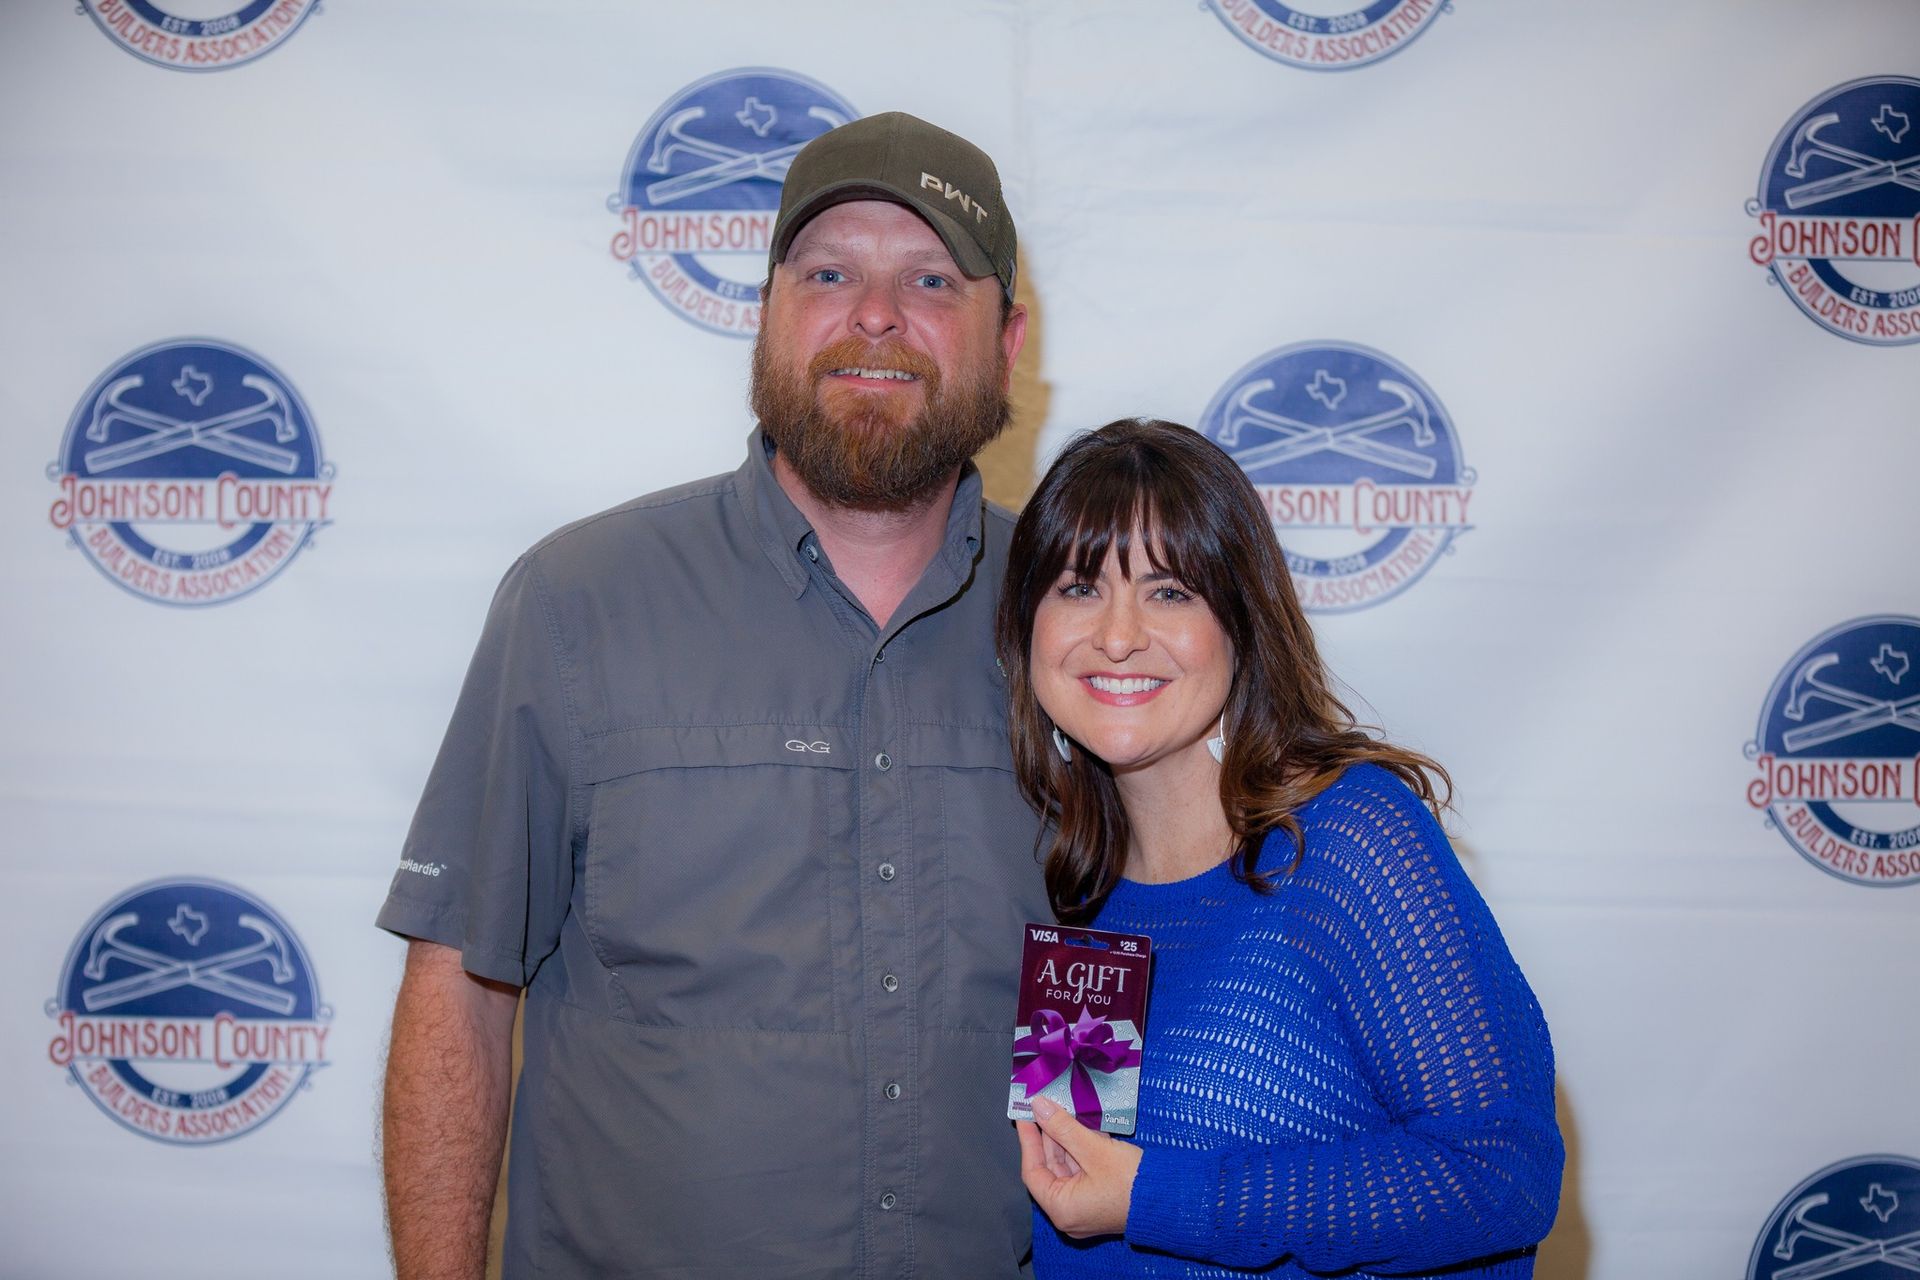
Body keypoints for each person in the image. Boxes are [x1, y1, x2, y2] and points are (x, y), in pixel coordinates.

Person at [377, 112, 1052, 1279]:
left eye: (931, 278)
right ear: (769, 317)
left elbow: (1129, 976)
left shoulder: (1084, 628)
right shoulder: (577, 602)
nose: (876, 315)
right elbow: (459, 990)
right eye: (829, 273)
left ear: (1008, 340)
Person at [995, 419, 1564, 1278]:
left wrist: (1160, 1195)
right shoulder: (1079, 888)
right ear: (1026, 627)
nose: (1116, 635)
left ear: (1242, 623)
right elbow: (1078, 1207)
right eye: (1079, 587)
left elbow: (1501, 1174)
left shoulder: (1345, 838)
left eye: (1170, 591)